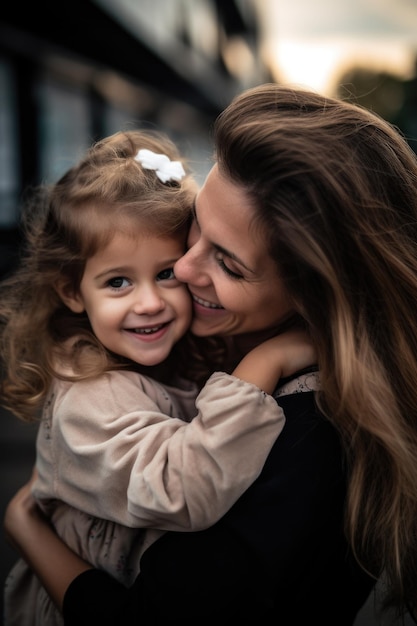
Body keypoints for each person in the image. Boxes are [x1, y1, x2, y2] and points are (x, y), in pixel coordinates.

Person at [6, 81, 417, 625]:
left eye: (229, 263)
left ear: (315, 293)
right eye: (196, 226)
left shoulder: (310, 441)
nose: (187, 270)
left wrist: (27, 527)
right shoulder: (124, 376)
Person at [0, 127, 315, 626]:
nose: (149, 303)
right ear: (73, 293)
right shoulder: (90, 400)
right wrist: (265, 364)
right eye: (118, 281)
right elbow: (184, 490)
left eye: (166, 273)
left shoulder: (173, 356)